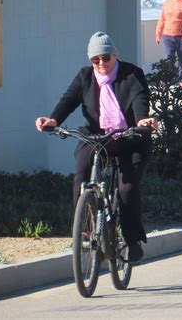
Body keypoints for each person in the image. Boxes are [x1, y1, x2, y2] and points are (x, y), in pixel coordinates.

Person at [35, 32, 158, 264]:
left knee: (126, 190)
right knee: (81, 173)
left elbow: (141, 99)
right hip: (96, 137)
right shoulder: (85, 76)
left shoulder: (132, 74)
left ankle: (132, 241)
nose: (101, 63)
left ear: (115, 56)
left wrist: (142, 120)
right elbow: (68, 100)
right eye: (95, 59)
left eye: (106, 57)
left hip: (130, 137)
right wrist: (53, 120)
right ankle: (85, 230)